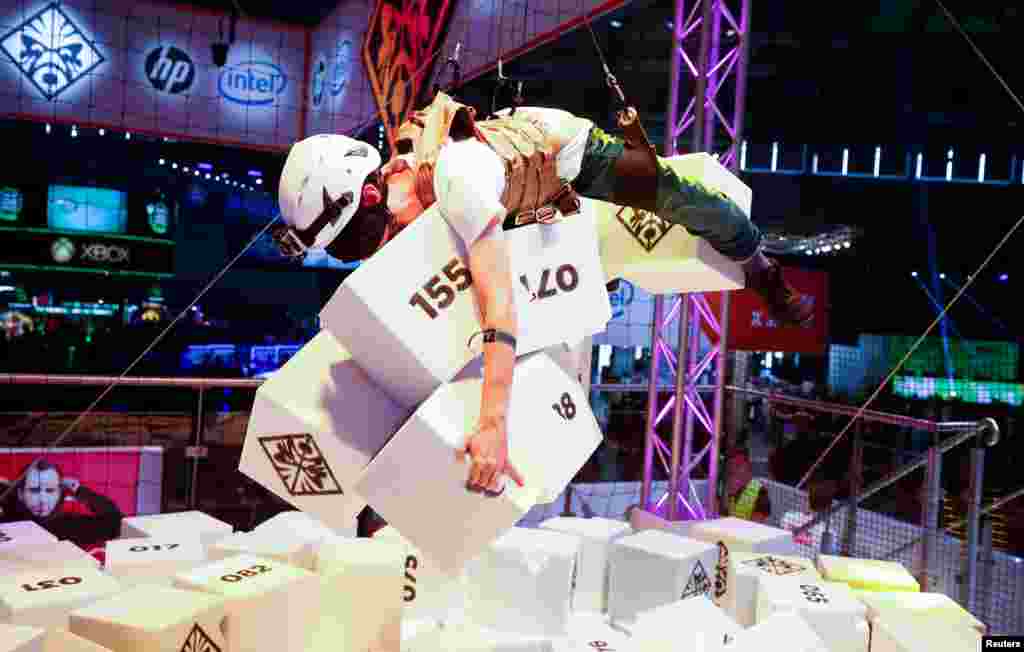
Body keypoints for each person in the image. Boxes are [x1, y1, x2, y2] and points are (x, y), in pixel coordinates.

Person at [275, 92, 812, 494]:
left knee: (683, 200)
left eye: (372, 235)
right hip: (511, 206)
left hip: (566, 158)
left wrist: (491, 424)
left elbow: (499, 305)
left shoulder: (460, 179)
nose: (381, 247)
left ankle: (761, 268)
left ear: (373, 192)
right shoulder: (399, 183)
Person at [0, 459, 124, 547]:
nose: (42, 499)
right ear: (21, 494)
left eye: (50, 490)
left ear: (59, 494)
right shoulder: (6, 521)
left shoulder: (69, 527)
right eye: (34, 490)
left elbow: (116, 524)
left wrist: (81, 491)